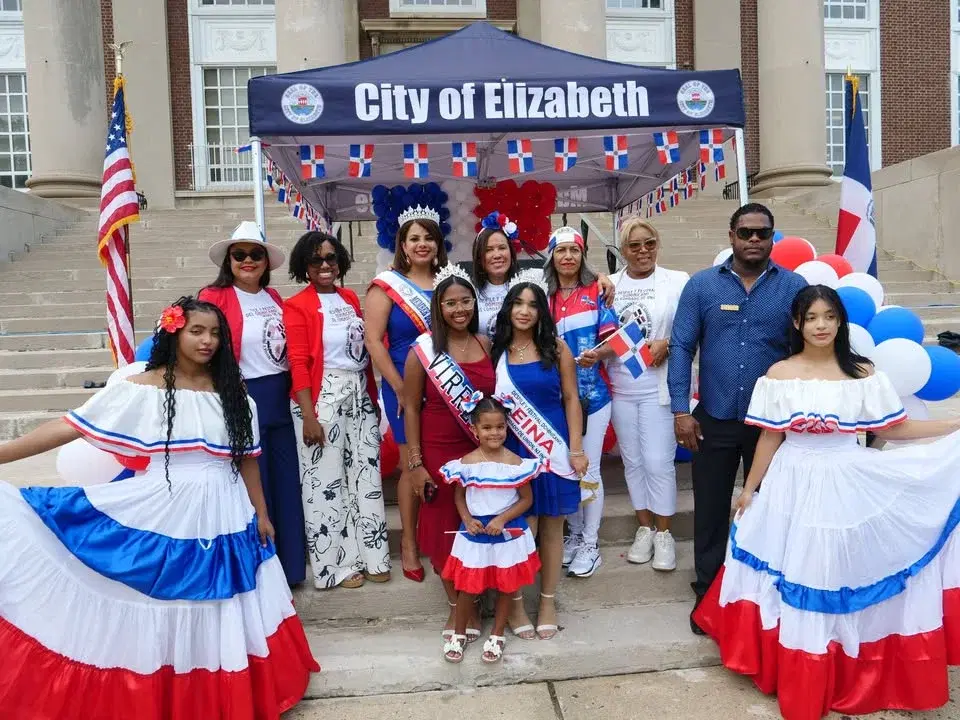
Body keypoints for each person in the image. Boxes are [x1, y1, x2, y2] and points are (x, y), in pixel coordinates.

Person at [0, 297, 319, 718]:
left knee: (220, 604)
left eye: (216, 333)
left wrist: (261, 513)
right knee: (168, 602)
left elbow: (246, 460)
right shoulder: (142, 388)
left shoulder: (234, 392)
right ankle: (168, 694)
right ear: (175, 332)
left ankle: (217, 694)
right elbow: (66, 426)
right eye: (197, 331)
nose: (208, 341)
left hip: (227, 511)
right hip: (167, 509)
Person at [693, 284, 960, 720]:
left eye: (829, 317)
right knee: (796, 571)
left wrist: (952, 428)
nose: (821, 325)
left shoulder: (863, 373)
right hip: (790, 481)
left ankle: (836, 665)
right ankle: (797, 669)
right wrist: (749, 488)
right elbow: (771, 436)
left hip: (844, 477)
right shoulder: (778, 373)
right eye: (812, 317)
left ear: (840, 322)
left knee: (830, 570)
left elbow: (893, 429)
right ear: (797, 323)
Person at [668, 202, 808, 634]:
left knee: (768, 509)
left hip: (773, 425)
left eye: (761, 233)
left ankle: (764, 594)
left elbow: (809, 349)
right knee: (709, 510)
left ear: (771, 237)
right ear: (731, 236)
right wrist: (679, 410)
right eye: (745, 232)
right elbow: (681, 347)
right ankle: (710, 594)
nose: (753, 240)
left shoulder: (794, 287)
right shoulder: (702, 287)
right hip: (715, 418)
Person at [199, 220, 305, 586]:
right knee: (251, 485)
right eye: (239, 254)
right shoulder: (212, 297)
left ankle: (290, 568)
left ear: (266, 261)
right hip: (242, 395)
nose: (248, 261)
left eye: (255, 254)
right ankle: (259, 567)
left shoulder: (275, 299)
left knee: (286, 482)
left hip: (279, 395)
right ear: (228, 260)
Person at [284, 231, 390, 590]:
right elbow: (298, 361)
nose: (325, 265)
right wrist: (309, 414)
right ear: (305, 266)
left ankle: (373, 553)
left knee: (366, 474)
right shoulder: (296, 305)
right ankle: (335, 566)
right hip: (320, 396)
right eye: (316, 260)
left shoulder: (348, 298)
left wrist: (371, 398)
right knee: (325, 484)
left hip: (358, 390)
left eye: (331, 258)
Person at [492, 271, 588, 640]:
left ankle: (547, 600)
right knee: (518, 529)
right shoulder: (495, 350)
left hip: (553, 449)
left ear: (542, 311)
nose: (525, 310)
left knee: (551, 527)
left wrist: (576, 448)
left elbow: (571, 399)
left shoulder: (557, 349)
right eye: (518, 302)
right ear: (508, 308)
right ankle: (515, 602)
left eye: (533, 304)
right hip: (512, 451)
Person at [403, 266, 492, 642]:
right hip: (439, 451)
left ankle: (473, 602)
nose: (459, 309)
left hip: (482, 450)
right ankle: (457, 607)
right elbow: (409, 408)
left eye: (465, 301)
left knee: (477, 527)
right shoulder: (423, 351)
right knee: (444, 532)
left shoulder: (488, 344)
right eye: (450, 303)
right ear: (438, 307)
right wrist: (416, 465)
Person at [365, 206, 447, 583]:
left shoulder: (449, 280)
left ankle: (440, 537)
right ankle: (410, 543)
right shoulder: (387, 285)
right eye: (414, 238)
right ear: (402, 244)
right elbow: (373, 342)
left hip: (445, 383)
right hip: (401, 387)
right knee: (410, 464)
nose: (422, 244)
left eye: (428, 237)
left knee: (441, 459)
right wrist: (399, 388)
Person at [603, 217, 689, 571]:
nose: (643, 251)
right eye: (634, 245)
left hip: (659, 388)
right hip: (621, 388)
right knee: (634, 462)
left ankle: (664, 533)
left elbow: (690, 329)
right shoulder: (610, 285)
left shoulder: (677, 282)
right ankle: (644, 528)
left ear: (658, 244)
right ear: (622, 250)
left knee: (658, 461)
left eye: (649, 243)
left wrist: (668, 343)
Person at [439, 395, 542, 664]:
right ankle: (459, 633)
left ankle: (497, 633)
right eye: (487, 428)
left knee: (506, 585)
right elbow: (460, 497)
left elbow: (526, 499)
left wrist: (502, 520)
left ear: (507, 427)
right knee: (468, 587)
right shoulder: (467, 463)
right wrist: (467, 519)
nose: (494, 433)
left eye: (500, 427)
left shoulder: (516, 463)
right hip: (475, 532)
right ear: (474, 430)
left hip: (507, 532)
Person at [543, 226, 618, 579]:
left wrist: (597, 353)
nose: (568, 257)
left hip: (595, 396)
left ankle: (591, 542)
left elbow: (615, 342)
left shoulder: (596, 291)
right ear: (552, 257)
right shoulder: (544, 296)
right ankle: (574, 535)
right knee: (568, 468)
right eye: (561, 251)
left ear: (582, 254)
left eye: (574, 250)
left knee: (589, 470)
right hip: (559, 400)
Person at [470, 211, 615, 340]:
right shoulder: (470, 291)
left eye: (502, 248)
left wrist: (601, 277)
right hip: (486, 367)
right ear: (478, 256)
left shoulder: (532, 278)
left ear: (511, 252)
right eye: (489, 250)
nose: (497, 255)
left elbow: (565, 268)